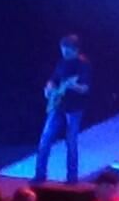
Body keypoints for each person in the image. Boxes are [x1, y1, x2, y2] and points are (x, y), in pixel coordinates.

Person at [34, 34, 91, 184]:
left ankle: (72, 178)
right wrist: (49, 88)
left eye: (67, 51)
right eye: (62, 50)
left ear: (76, 49)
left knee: (71, 141)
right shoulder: (62, 62)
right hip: (58, 105)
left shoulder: (83, 65)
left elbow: (85, 88)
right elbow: (53, 79)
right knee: (45, 139)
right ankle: (40, 175)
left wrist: (74, 86)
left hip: (74, 108)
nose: (64, 53)